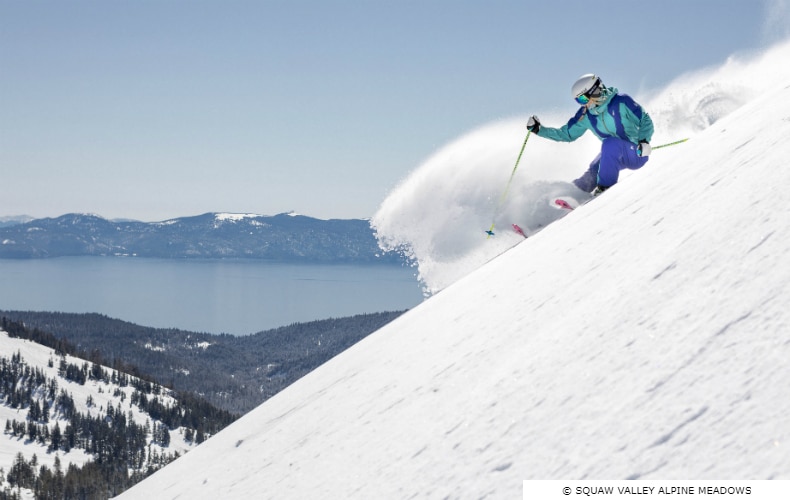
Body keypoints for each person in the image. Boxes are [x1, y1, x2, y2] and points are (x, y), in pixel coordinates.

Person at [526, 74, 654, 195]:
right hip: (613, 157)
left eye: (582, 99)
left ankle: (604, 189)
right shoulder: (586, 115)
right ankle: (574, 193)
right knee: (594, 168)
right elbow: (566, 134)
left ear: (594, 91)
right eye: (579, 101)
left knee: (610, 144)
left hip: (636, 153)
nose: (583, 104)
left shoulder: (621, 101)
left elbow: (645, 120)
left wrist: (644, 141)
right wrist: (539, 130)